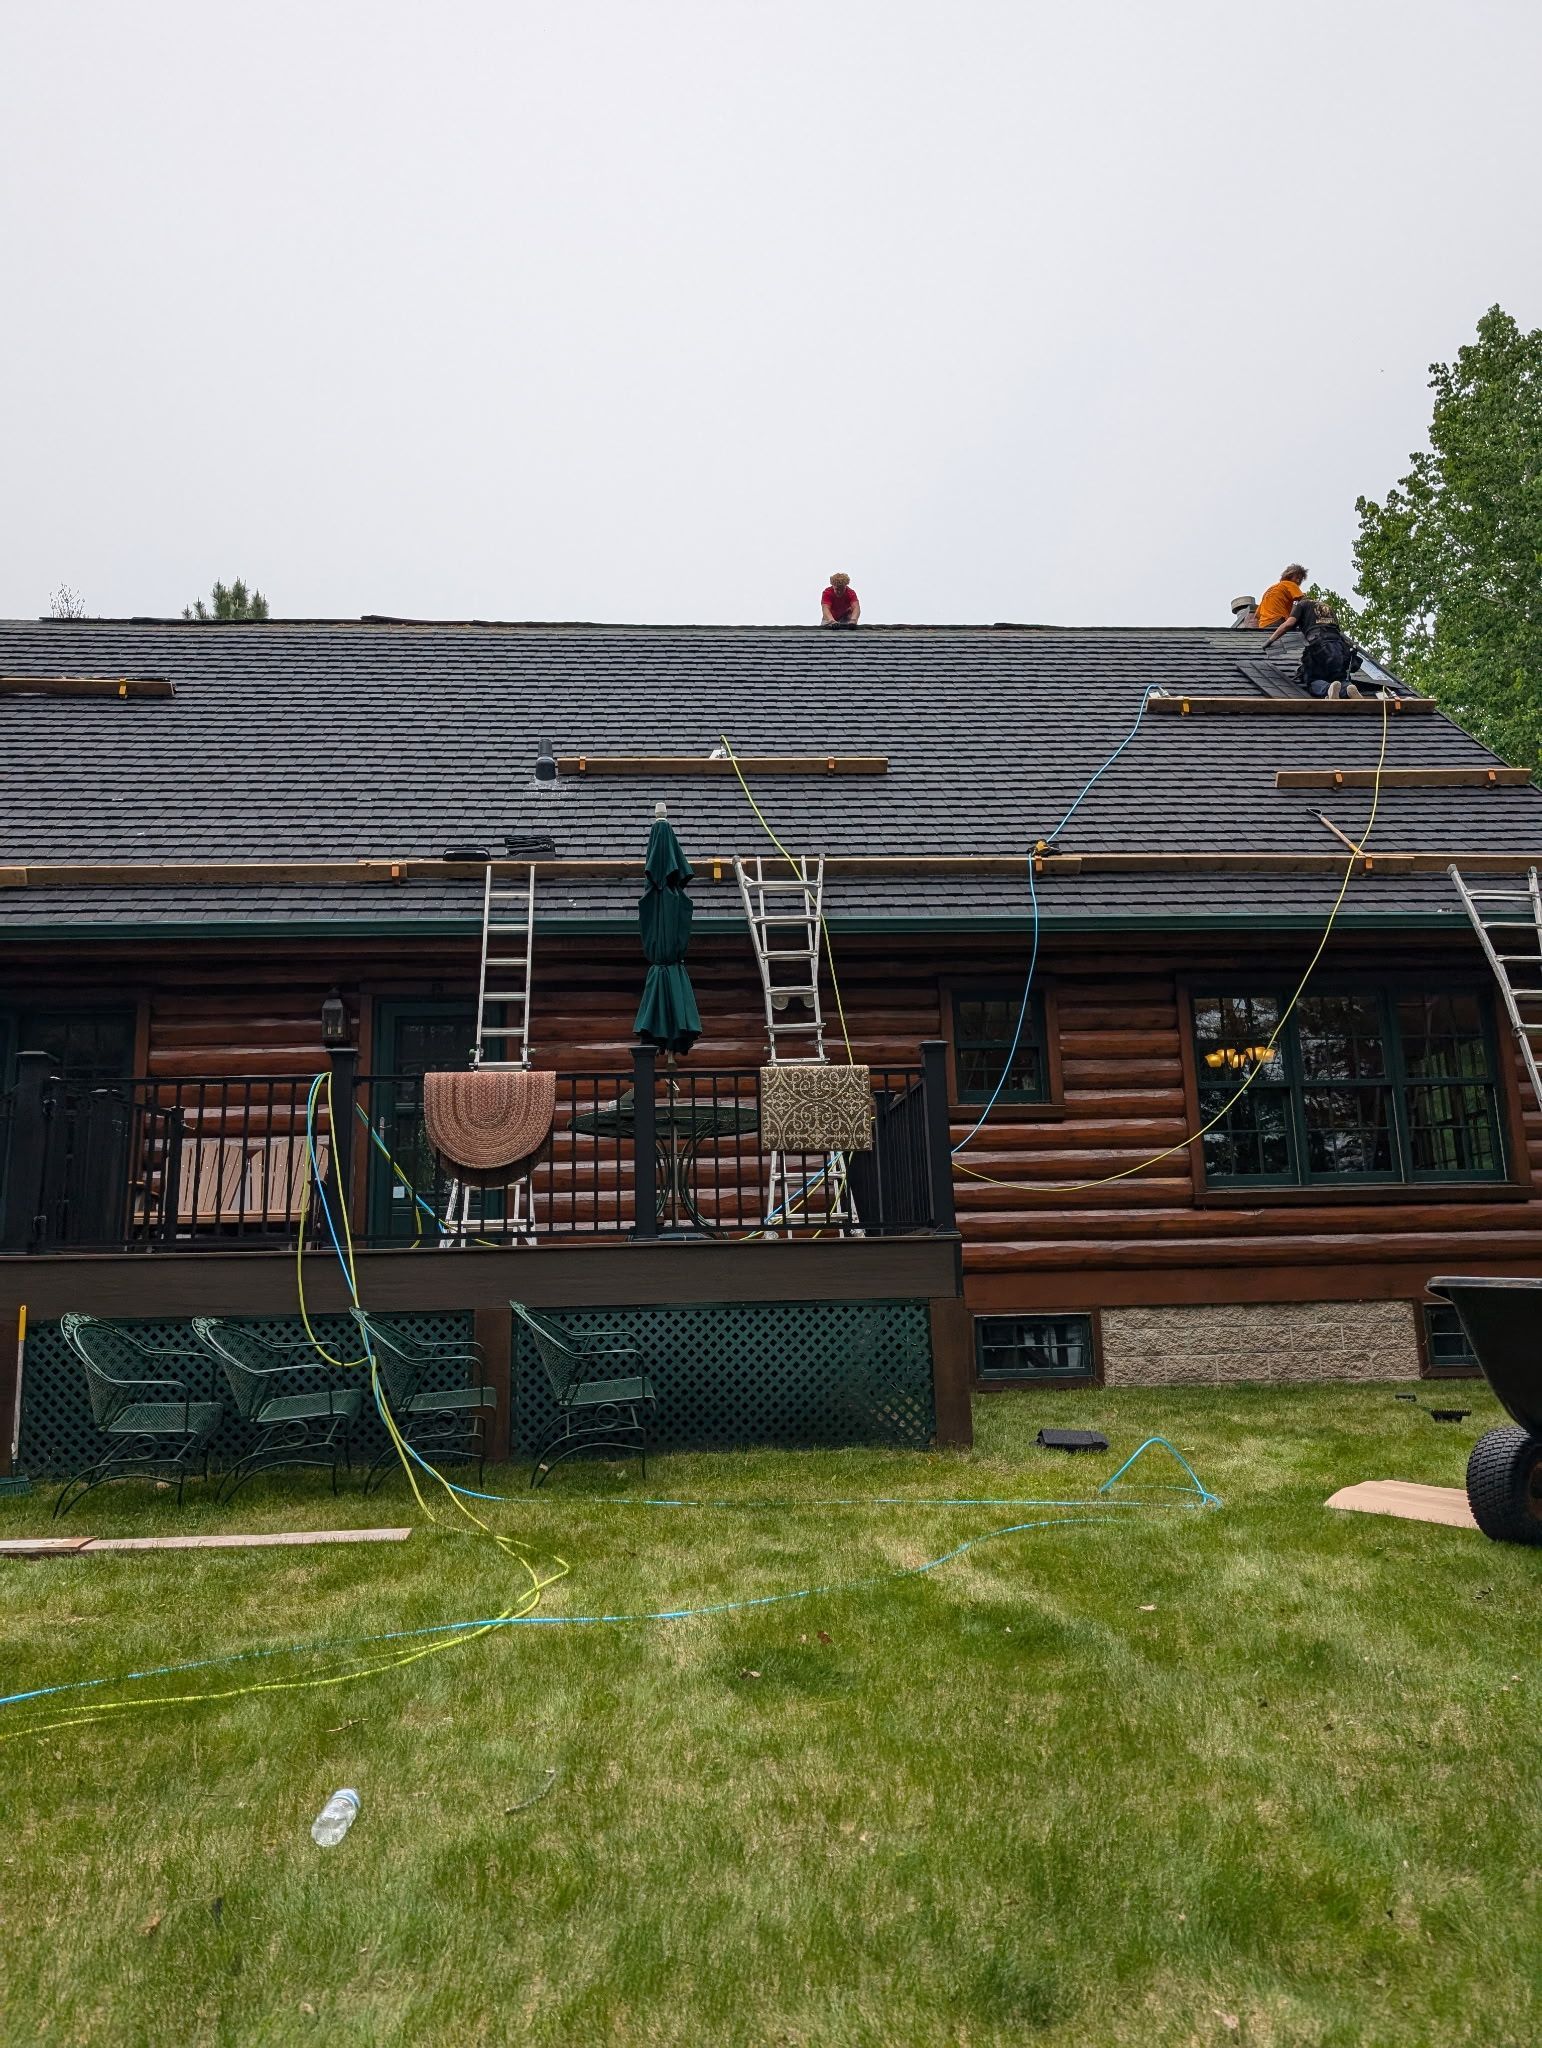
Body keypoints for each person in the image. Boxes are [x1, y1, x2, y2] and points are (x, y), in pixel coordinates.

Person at [1255, 564, 1307, 632]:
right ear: (1289, 575)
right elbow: (1301, 602)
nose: (1298, 581)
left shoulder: (1270, 590)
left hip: (1263, 626)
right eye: (1297, 577)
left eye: (1300, 579)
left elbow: (1257, 615)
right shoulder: (1291, 584)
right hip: (1278, 621)